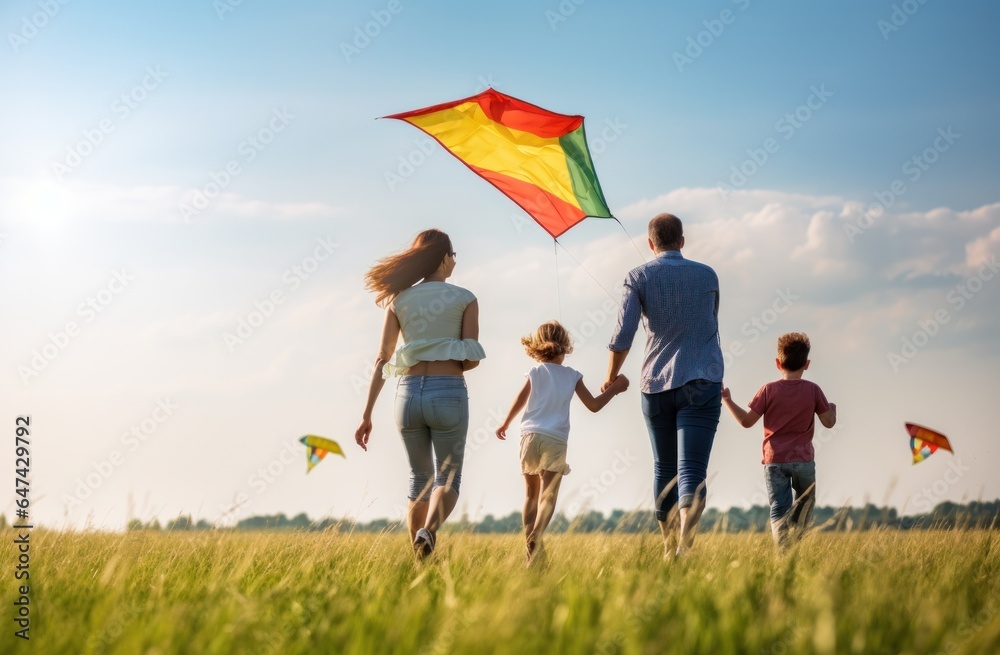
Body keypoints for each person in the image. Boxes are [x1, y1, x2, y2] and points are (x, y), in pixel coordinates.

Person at [355, 229, 485, 559]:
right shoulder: (465, 298)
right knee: (448, 478)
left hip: (407, 396)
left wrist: (366, 414)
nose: (455, 261)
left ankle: (419, 563)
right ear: (444, 258)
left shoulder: (399, 300)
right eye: (453, 255)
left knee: (419, 479)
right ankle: (429, 532)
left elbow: (382, 360)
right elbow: (470, 357)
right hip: (448, 393)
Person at [604, 213, 724, 558]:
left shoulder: (638, 276)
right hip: (702, 379)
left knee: (664, 468)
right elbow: (710, 322)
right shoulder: (708, 275)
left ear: (650, 243)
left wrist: (612, 376)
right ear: (682, 241)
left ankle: (668, 546)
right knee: (692, 469)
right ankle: (685, 545)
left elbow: (622, 336)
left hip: (655, 383)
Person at [496, 321, 629, 564]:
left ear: (537, 346)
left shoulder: (535, 372)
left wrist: (505, 423)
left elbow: (519, 399)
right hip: (555, 439)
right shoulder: (572, 376)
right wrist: (616, 388)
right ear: (566, 346)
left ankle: (532, 550)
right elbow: (594, 406)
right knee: (549, 495)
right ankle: (536, 536)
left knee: (530, 495)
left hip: (529, 436)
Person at [721, 332, 837, 549]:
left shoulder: (768, 390)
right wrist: (832, 409)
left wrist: (727, 400)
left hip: (774, 460)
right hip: (803, 460)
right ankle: (794, 545)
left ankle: (782, 551)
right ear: (807, 364)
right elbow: (829, 423)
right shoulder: (813, 390)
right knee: (805, 504)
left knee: (778, 507)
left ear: (777, 363)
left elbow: (746, 422)